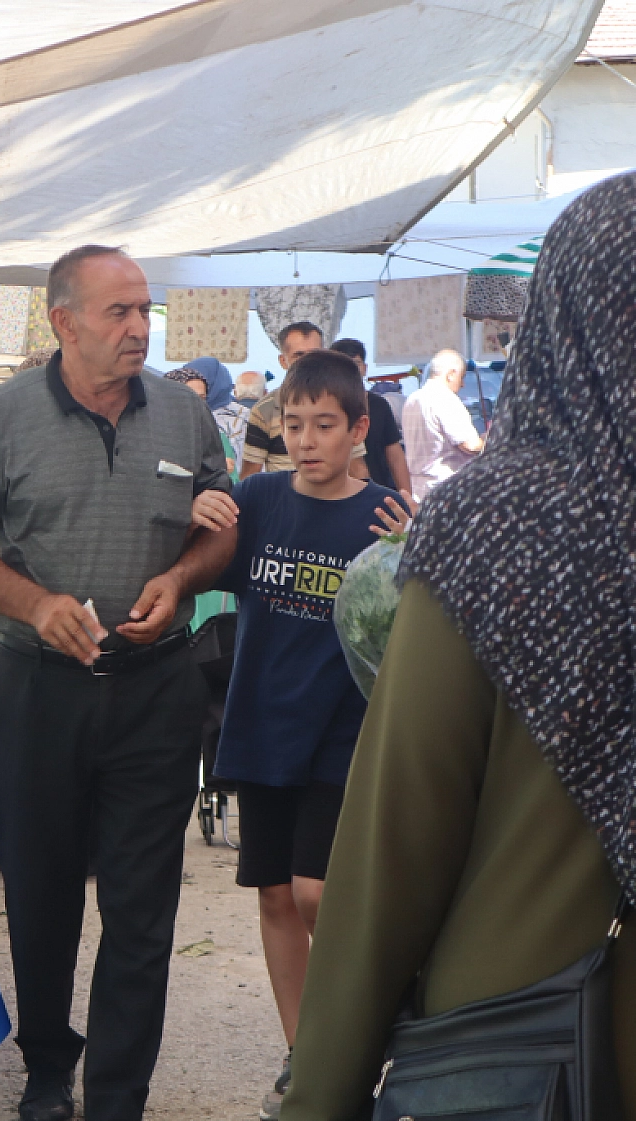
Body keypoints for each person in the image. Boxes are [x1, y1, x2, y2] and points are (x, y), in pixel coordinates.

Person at [282, 173, 636, 1120]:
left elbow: (395, 839)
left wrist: (318, 1097)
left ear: (563, 316)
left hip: (539, 1049)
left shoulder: (507, 524)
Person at [0, 244, 235, 1121]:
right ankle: (46, 1068)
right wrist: (35, 605)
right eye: (119, 312)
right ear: (65, 322)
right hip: (37, 689)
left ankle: (116, 1096)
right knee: (42, 891)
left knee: (143, 907)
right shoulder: (2, 416)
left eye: (145, 311)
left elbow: (219, 530)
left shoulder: (185, 417)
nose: (139, 328)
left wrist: (180, 580)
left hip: (155, 688)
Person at [188, 350, 410, 1120]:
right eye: (295, 424)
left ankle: (365, 1029)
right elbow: (202, 560)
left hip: (343, 729)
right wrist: (203, 513)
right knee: (276, 894)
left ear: (358, 430)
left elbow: (414, 615)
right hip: (261, 722)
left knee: (320, 892)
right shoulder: (257, 497)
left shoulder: (382, 512)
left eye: (325, 425)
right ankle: (305, 1057)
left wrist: (418, 551)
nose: (309, 439)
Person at [243, 324, 364, 479]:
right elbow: (250, 474)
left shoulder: (343, 402)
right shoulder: (264, 410)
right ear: (283, 361)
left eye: (324, 426)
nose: (306, 442)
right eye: (299, 355)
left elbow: (357, 468)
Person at [327, 338, 412, 502]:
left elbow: (395, 456)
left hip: (378, 495)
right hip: (336, 496)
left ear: (365, 369)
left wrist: (406, 498)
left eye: (356, 364)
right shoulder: (325, 407)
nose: (350, 369)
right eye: (343, 364)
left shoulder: (379, 405)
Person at [401, 348, 484, 497]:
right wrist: (491, 439)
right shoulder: (445, 398)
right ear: (451, 374)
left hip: (418, 489)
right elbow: (470, 446)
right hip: (446, 489)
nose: (463, 384)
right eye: (462, 377)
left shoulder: (412, 399)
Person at [165, 357, 246, 474]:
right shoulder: (154, 429)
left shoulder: (216, 434)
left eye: (202, 398)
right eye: (191, 397)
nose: (198, 404)